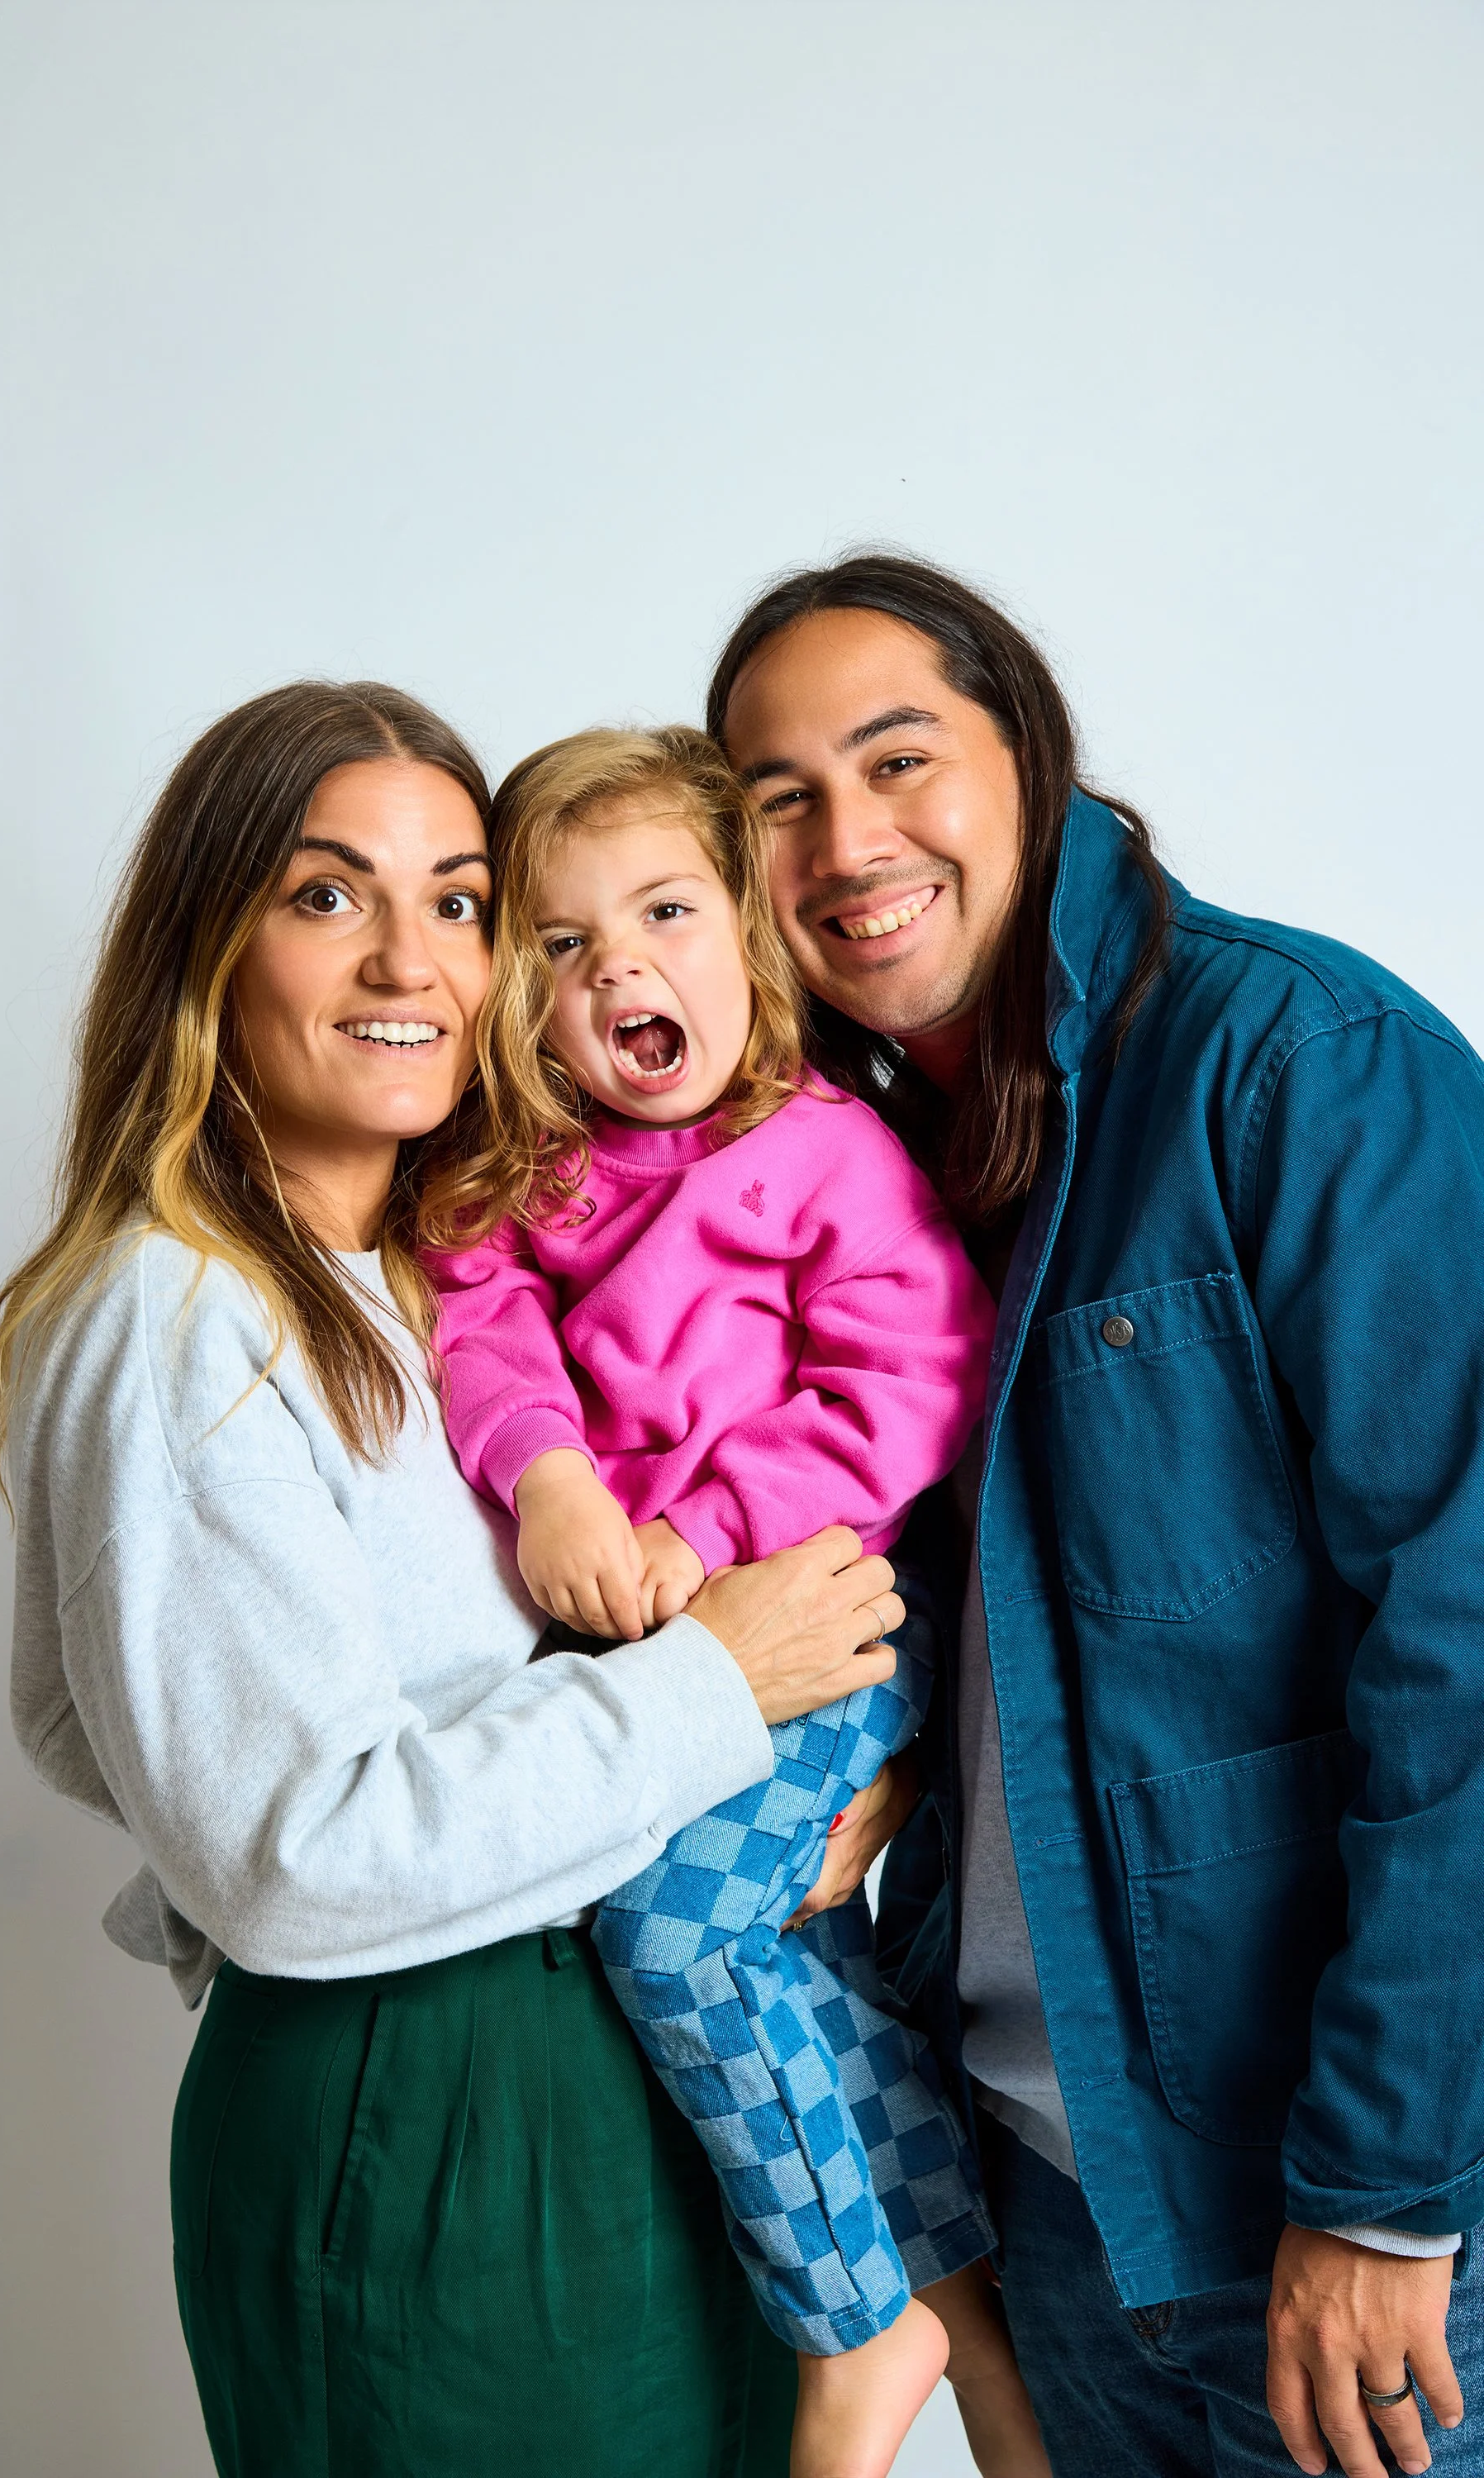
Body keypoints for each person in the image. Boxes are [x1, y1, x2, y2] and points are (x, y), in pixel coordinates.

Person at [0, 679, 911, 2478]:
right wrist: (710, 1688)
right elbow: (287, 1845)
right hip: (430, 2117)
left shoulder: (428, 1286)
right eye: (327, 893)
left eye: (461, 897)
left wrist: (795, 1767)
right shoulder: (186, 1314)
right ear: (209, 945)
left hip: (618, 2073)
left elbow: (113, 1715)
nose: (409, 955)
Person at [704, 552, 1484, 2478]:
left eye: (897, 759)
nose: (845, 839)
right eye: (776, 798)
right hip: (1045, 2192)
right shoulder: (869, 1169)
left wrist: (1386, 2192)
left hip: (1327, 2205)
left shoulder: (1296, 1059)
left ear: (1025, 759)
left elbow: (1468, 1637)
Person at [421, 724, 1050, 2477]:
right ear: (521, 1000)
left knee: (674, 1937)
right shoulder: (525, 1168)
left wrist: (698, 1528)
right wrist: (548, 1475)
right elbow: (477, 1326)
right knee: (800, 1960)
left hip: (823, 1618)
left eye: (666, 909)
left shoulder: (820, 1148)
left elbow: (914, 1379)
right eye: (560, 942)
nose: (619, 960)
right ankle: (968, 2324)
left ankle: (853, 2325)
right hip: (671, 1651)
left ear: (754, 940)